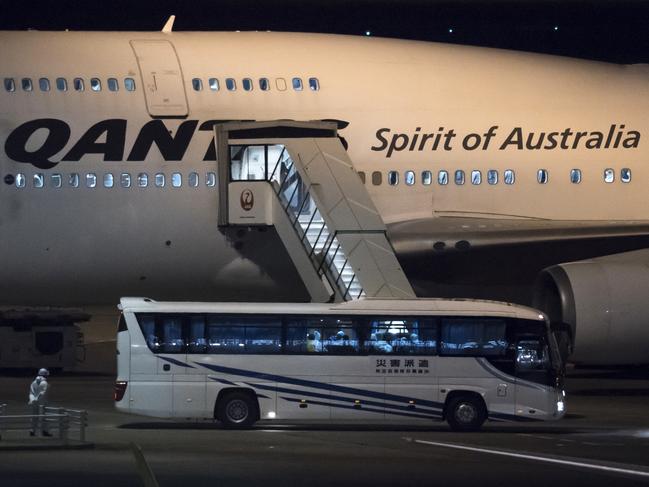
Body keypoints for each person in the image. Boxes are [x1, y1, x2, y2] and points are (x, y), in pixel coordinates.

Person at [28, 368, 52, 437]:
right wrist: (37, 399)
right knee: (45, 416)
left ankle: (32, 431)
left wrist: (32, 400)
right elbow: (42, 393)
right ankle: (45, 431)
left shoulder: (34, 382)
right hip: (42, 402)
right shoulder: (44, 383)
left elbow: (31, 393)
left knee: (34, 416)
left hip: (34, 402)